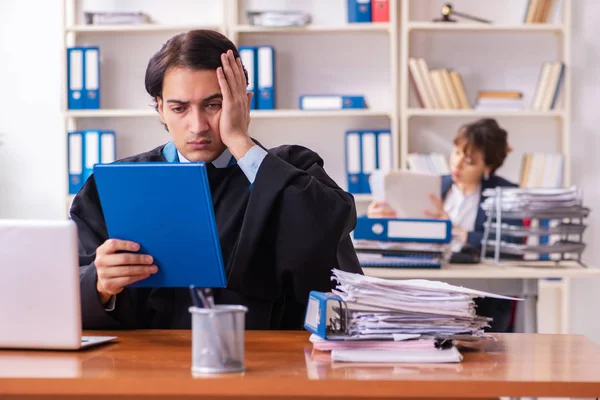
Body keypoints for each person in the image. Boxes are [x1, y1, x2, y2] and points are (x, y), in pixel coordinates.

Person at [71, 29, 362, 330]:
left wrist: (239, 140)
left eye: (214, 105)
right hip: (149, 363)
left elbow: (326, 233)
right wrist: (100, 284)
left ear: (243, 103)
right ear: (160, 108)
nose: (197, 126)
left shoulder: (293, 170)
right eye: (179, 108)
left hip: (272, 362)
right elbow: (67, 288)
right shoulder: (116, 186)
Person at [368, 118, 517, 332]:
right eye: (456, 153)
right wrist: (381, 219)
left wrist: (455, 230)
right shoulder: (432, 185)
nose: (457, 164)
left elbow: (511, 244)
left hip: (481, 294)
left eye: (470, 161)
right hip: (432, 287)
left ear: (488, 166)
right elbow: (405, 234)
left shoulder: (505, 194)